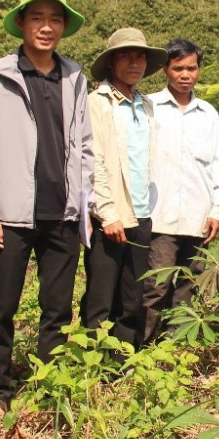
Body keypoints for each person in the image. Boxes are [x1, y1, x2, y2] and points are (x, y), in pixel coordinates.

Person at [0, 0, 92, 411]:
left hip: (62, 213)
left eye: (55, 19)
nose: (46, 27)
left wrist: (82, 200)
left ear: (63, 27)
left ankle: (50, 389)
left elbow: (83, 142)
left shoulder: (74, 75)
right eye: (37, 17)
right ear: (21, 22)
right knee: (2, 308)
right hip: (12, 213)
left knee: (57, 309)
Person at [80, 27, 166, 347]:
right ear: (112, 63)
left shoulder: (146, 106)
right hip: (111, 216)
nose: (134, 63)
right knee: (101, 297)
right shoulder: (97, 103)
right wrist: (107, 212)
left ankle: (124, 361)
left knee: (132, 296)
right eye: (125, 56)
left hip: (141, 213)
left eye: (140, 56)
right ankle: (93, 364)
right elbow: (93, 161)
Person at [143, 38, 219, 342]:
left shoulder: (208, 114)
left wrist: (217, 209)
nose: (185, 74)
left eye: (191, 68)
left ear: (199, 70)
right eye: (178, 68)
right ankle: (142, 349)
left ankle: (177, 348)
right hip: (159, 216)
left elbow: (218, 165)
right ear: (166, 69)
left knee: (188, 286)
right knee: (156, 287)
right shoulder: (148, 106)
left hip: (197, 217)